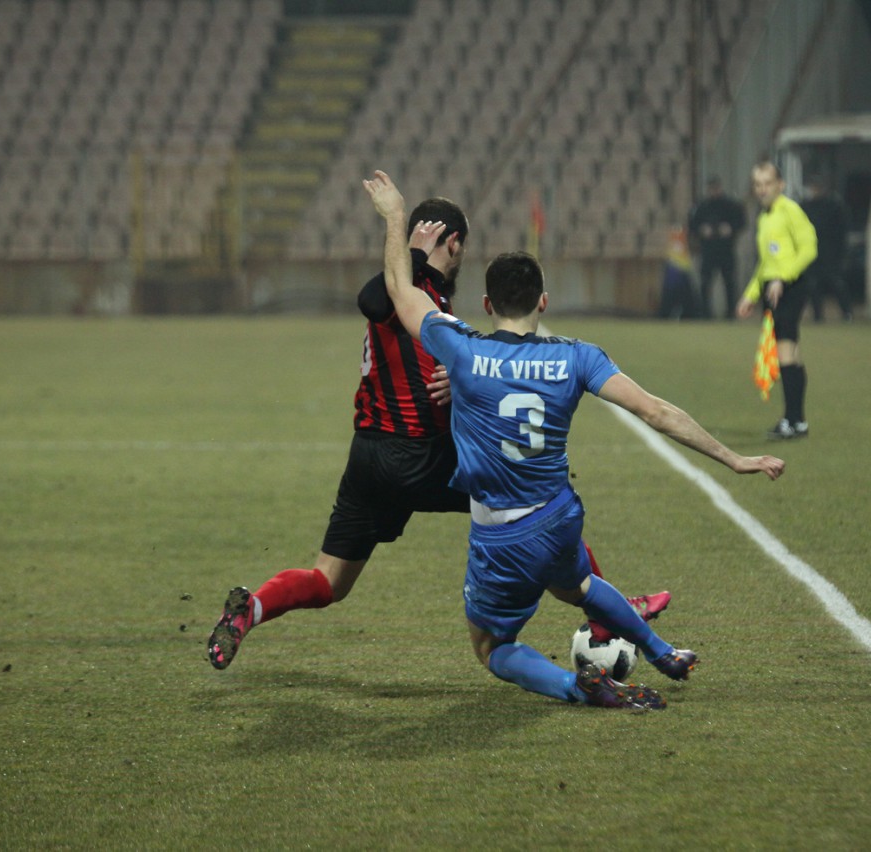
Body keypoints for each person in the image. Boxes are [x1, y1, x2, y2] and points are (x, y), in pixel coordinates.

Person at [365, 169, 786, 710]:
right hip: (559, 517)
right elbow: (656, 412)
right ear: (542, 302)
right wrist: (733, 458)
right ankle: (663, 652)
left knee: (492, 647)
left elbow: (399, 290)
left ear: (487, 305)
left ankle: (577, 686)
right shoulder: (578, 357)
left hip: (502, 534)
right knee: (579, 582)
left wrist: (395, 218)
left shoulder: (461, 350)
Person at [206, 197, 669, 670]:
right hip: (423, 454)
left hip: (370, 458)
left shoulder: (426, 293)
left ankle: (252, 608)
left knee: (329, 581)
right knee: (536, 505)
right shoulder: (413, 284)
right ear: (454, 243)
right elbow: (372, 300)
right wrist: (415, 253)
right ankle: (608, 613)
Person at [736, 161, 817, 441]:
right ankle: (797, 421)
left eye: (767, 183)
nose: (762, 189)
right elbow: (765, 264)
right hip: (773, 289)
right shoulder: (764, 217)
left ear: (780, 185)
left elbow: (809, 248)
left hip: (789, 288)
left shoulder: (789, 210)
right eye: (758, 184)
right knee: (790, 354)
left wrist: (783, 277)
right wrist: (750, 295)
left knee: (785, 352)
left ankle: (792, 420)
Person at [687, 175, 747, 320]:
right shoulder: (702, 206)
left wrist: (730, 228)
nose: (713, 192)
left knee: (729, 282)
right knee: (705, 282)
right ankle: (705, 313)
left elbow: (741, 221)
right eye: (711, 189)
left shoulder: (730, 205)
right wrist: (701, 230)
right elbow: (692, 224)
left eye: (715, 188)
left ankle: (730, 313)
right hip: (708, 250)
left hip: (726, 249)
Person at [800, 175, 852, 322]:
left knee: (836, 283)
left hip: (830, 253)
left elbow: (842, 230)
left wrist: (840, 251)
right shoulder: (805, 207)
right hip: (811, 252)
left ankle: (847, 313)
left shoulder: (834, 206)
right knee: (813, 285)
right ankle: (818, 315)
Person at [656, 226, 697, 319]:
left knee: (685, 299)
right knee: (671, 297)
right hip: (674, 271)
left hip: (682, 272)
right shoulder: (673, 237)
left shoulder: (684, 237)